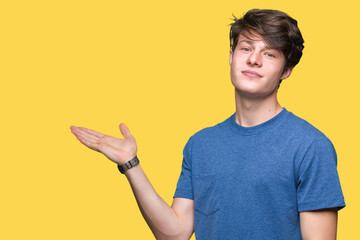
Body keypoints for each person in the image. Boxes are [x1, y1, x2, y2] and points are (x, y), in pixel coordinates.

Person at [70, 9, 345, 240]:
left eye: (270, 54)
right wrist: (131, 164)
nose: (253, 59)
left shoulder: (311, 146)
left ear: (286, 70)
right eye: (246, 48)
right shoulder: (200, 144)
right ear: (231, 56)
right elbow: (175, 233)